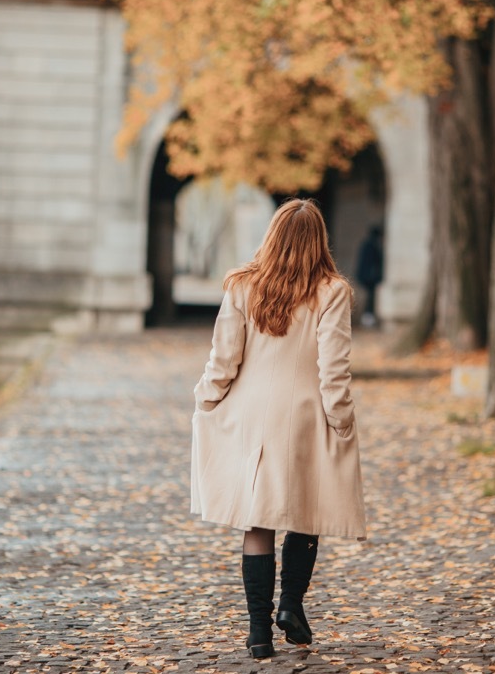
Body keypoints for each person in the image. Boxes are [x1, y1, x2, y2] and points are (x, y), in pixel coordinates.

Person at [191, 198, 366, 660]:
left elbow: (223, 360)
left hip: (252, 417)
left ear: (272, 235)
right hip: (306, 415)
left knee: (259, 519)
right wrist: (342, 421)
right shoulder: (333, 292)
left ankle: (257, 633)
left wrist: (206, 398)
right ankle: (290, 605)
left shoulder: (242, 286)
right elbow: (333, 370)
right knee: (306, 509)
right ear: (319, 242)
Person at [355, 225, 384, 327]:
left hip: (365, 277)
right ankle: (367, 319)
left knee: (368, 298)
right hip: (369, 278)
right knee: (369, 298)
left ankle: (367, 318)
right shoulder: (372, 246)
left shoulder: (366, 245)